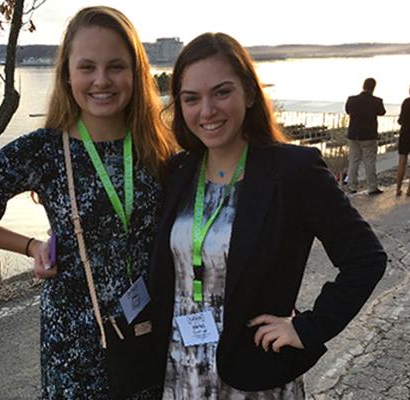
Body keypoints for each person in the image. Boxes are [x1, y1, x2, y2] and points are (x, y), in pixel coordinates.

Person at [0, 6, 176, 399]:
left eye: (116, 66)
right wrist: (32, 247)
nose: (102, 80)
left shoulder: (159, 147)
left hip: (150, 333)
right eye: (87, 67)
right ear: (67, 73)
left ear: (136, 72)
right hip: (76, 347)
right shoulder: (43, 150)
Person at [148, 32, 387, 399]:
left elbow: (365, 258)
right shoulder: (178, 172)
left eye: (222, 92)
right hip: (180, 371)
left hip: (253, 375)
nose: (207, 110)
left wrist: (309, 327)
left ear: (249, 92)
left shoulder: (294, 171)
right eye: (191, 98)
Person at [345, 77, 386, 195]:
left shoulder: (351, 100)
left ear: (363, 86)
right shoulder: (377, 101)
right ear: (373, 88)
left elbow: (348, 111)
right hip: (369, 136)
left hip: (353, 135)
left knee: (353, 161)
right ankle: (372, 187)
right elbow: (382, 112)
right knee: (369, 161)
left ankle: (352, 186)